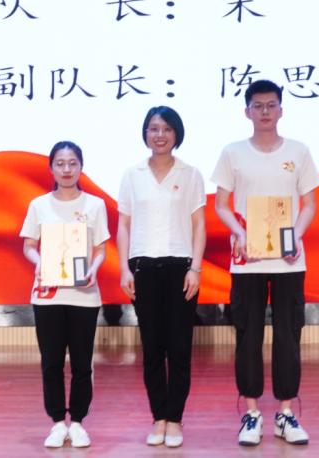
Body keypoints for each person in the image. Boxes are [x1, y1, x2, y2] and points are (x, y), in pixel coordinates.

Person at [211, 79, 319, 446]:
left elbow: (309, 204)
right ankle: (251, 413)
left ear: (281, 110)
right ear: (247, 111)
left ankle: (286, 412)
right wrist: (240, 233)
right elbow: (221, 205)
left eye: (271, 105)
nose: (264, 111)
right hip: (248, 259)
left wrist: (295, 237)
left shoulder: (299, 151)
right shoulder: (233, 153)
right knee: (248, 335)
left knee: (289, 335)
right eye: (257, 105)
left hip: (289, 260)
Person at [117, 106, 206, 449]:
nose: (160, 135)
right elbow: (124, 225)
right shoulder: (132, 174)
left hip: (180, 268)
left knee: (179, 347)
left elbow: (199, 225)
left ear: (177, 133)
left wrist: (195, 268)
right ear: (145, 133)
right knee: (152, 347)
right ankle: (158, 417)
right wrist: (124, 268)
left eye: (167, 129)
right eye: (154, 128)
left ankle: (175, 418)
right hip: (143, 267)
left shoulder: (191, 174)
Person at [20, 141, 109, 449]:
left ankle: (79, 423)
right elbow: (29, 246)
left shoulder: (94, 205)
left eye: (72, 163)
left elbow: (100, 248)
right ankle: (58, 423)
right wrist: (40, 263)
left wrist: (94, 268)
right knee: (52, 362)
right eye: (60, 163)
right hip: (48, 295)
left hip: (84, 295)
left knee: (83, 363)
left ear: (81, 167)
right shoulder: (39, 205)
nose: (67, 169)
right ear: (51, 168)